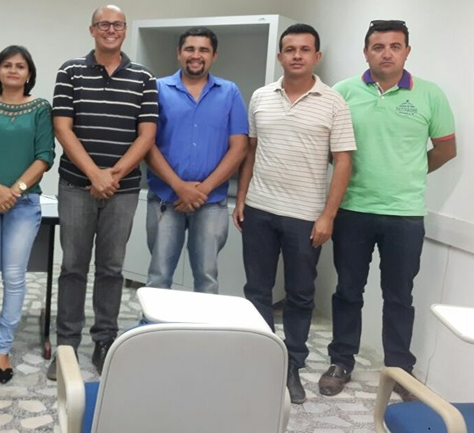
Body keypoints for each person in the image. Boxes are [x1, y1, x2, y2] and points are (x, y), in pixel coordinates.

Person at [319, 20, 456, 401]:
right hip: (353, 210)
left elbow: (446, 149)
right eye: (378, 47)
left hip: (405, 215)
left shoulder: (430, 95)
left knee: (399, 296)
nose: (387, 53)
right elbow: (329, 149)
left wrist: (408, 173)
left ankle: (399, 370)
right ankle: (341, 361)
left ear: (407, 52)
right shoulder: (343, 92)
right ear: (366, 52)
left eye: (395, 46)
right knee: (348, 291)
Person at [233, 23, 356, 404]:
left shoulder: (333, 102)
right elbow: (251, 151)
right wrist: (242, 197)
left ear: (316, 56)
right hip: (259, 209)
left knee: (300, 294)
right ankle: (262, 359)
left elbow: (343, 161)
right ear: (280, 56)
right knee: (257, 290)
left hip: (305, 216)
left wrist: (328, 215)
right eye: (290, 49)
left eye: (305, 49)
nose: (297, 55)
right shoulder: (260, 97)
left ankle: (292, 364)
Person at [48, 4, 158, 380]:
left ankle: (104, 341)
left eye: (117, 25)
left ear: (125, 30)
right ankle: (66, 345)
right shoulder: (70, 71)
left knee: (111, 268)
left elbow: (146, 134)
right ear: (92, 29)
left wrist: (112, 176)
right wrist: (94, 174)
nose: (111, 30)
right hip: (75, 187)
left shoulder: (143, 77)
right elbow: (62, 128)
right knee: (73, 267)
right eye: (104, 24)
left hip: (122, 191)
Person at [0, 45, 54, 385]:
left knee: (14, 277)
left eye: (20, 66)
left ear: (29, 74)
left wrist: (13, 191)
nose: (13, 70)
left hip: (24, 203)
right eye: (7, 65)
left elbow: (45, 155)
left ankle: (3, 348)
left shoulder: (40, 108)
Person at [145, 27, 248, 294]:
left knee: (207, 278)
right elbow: (147, 144)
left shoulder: (229, 92)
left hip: (211, 202)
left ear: (214, 55)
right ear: (179, 53)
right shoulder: (157, 89)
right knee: (159, 276)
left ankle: (203, 325)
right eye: (190, 49)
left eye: (204, 50)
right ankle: (153, 322)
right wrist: (179, 186)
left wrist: (202, 190)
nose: (196, 55)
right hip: (166, 198)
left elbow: (239, 148)